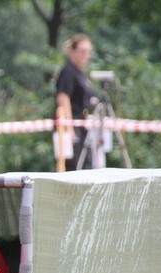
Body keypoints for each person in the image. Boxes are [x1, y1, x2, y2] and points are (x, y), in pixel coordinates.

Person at [55, 33, 95, 171]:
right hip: (73, 126)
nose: (85, 56)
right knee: (74, 167)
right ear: (73, 51)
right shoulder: (68, 71)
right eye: (82, 51)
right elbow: (63, 97)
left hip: (82, 126)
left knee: (87, 165)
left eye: (88, 52)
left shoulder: (80, 73)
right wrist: (68, 127)